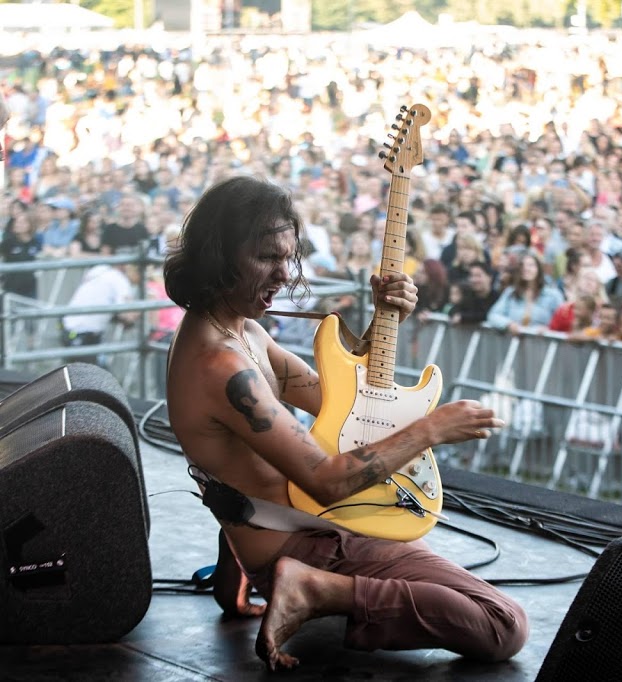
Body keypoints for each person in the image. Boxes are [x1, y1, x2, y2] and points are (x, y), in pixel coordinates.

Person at [163, 177, 527, 671]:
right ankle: (314, 590)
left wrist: (385, 320)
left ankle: (318, 587)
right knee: (502, 625)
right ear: (219, 255)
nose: (283, 273)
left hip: (312, 533)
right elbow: (326, 480)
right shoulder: (221, 366)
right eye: (268, 258)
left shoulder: (242, 331)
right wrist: (432, 430)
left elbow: (340, 407)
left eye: (289, 257)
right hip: (311, 544)